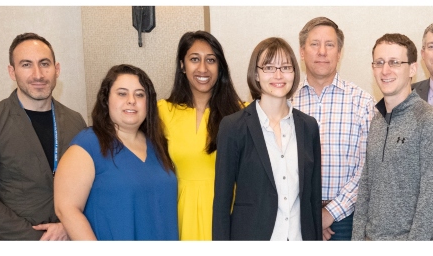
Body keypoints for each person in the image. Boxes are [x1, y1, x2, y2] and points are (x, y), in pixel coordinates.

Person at [0, 34, 86, 240]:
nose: (38, 74)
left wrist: (67, 225)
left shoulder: (76, 121)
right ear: (12, 72)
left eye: (44, 64)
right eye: (26, 64)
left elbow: (89, 186)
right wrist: (37, 238)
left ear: (57, 69)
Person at [213, 38, 322, 240]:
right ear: (256, 74)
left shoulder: (309, 127)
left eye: (286, 67)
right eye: (269, 67)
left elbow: (313, 201)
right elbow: (221, 203)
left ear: (294, 73)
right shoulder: (233, 127)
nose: (278, 75)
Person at [54, 65, 178, 240]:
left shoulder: (158, 144)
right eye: (122, 93)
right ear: (106, 100)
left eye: (140, 94)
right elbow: (66, 208)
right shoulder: (88, 144)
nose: (131, 100)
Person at [352, 34, 433, 241]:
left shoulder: (430, 120)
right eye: (379, 63)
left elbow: (431, 199)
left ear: (412, 69)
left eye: (395, 63)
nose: (385, 70)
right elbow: (366, 188)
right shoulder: (376, 120)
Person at [292, 17, 374, 241]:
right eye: (314, 44)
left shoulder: (362, 102)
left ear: (339, 52)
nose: (322, 52)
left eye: (330, 45)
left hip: (347, 219)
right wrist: (308, 214)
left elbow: (368, 168)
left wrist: (329, 213)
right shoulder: (288, 103)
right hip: (295, 216)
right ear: (301, 51)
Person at [158, 31, 244, 240]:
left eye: (211, 60)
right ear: (182, 65)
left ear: (220, 67)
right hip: (177, 215)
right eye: (194, 59)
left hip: (227, 216)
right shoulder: (162, 111)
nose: (203, 68)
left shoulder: (241, 114)